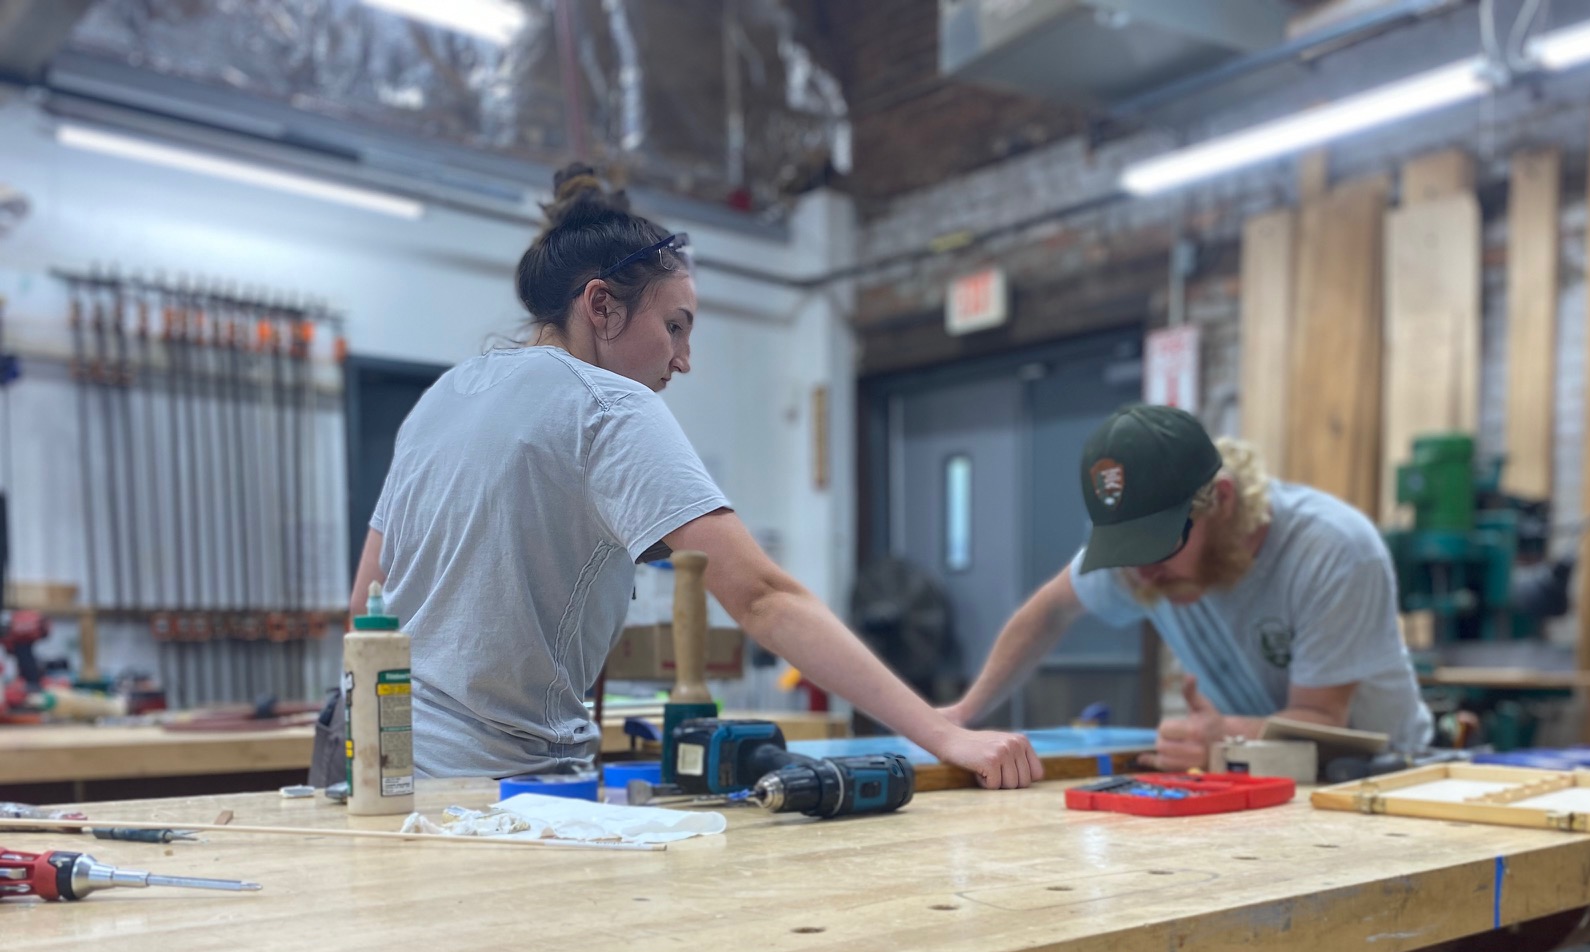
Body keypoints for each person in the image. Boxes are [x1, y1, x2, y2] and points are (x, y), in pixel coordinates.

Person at [350, 164, 1039, 789]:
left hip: (382, 770)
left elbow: (367, 604)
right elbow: (763, 596)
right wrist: (945, 734)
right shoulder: (609, 404)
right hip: (506, 787)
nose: (684, 359)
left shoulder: (446, 394)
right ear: (601, 307)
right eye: (675, 327)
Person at [944, 404, 1432, 768]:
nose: (1142, 574)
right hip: (1259, 772)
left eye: (1157, 545)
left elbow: (1326, 722)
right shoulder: (1144, 562)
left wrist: (1225, 737)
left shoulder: (1333, 551)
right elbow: (1048, 612)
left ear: (1221, 500)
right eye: (1127, 552)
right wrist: (963, 715)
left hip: (1376, 776)